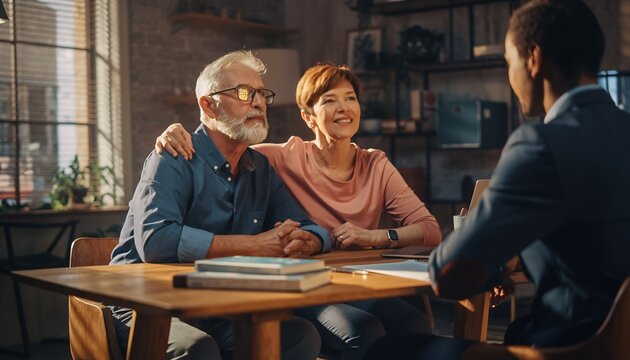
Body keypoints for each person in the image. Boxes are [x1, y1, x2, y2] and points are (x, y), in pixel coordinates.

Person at [366, 0, 630, 358]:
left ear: (533, 59)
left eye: (509, 62)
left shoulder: (541, 144)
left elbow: (448, 276)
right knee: (517, 330)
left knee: (387, 349)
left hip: (576, 349)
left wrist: (490, 256)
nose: (511, 76)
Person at [155, 64, 441, 359]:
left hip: (356, 281)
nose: (343, 107)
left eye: (351, 98)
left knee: (413, 322)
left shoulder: (375, 164)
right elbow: (225, 139)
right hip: (307, 284)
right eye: (330, 100)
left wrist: (369, 236)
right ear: (308, 117)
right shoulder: (277, 158)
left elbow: (430, 230)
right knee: (363, 329)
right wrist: (176, 131)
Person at [110, 50, 330, 360]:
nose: (257, 102)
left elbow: (308, 226)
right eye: (244, 93)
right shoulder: (172, 155)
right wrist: (254, 246)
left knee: (298, 336)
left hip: (215, 302)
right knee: (199, 350)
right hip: (144, 303)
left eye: (262, 94)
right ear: (207, 105)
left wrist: (311, 240)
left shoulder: (261, 168)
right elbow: (156, 242)